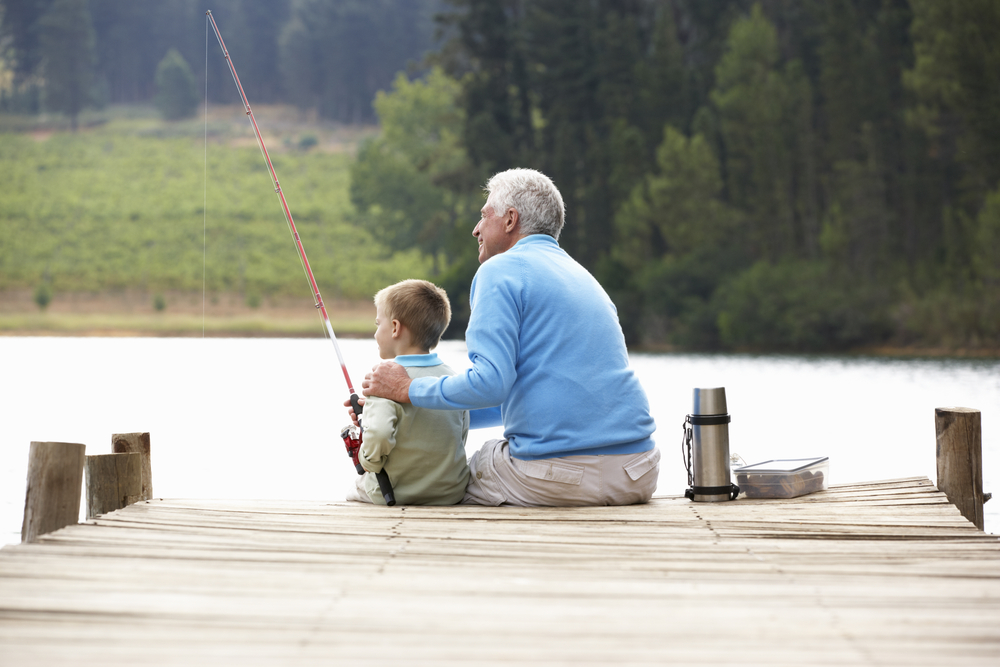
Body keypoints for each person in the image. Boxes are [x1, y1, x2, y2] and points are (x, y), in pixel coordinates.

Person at [360, 168, 659, 507]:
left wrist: (406, 389)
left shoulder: (498, 271)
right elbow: (524, 398)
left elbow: (490, 385)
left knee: (443, 479)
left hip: (562, 477)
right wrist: (412, 407)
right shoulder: (584, 277)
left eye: (484, 215)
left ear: (510, 220)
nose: (476, 229)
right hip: (639, 470)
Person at [346, 279, 470, 505]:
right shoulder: (453, 379)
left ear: (394, 328)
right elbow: (460, 434)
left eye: (377, 324)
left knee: (355, 490)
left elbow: (380, 434)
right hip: (450, 493)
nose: (375, 333)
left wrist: (366, 461)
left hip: (394, 494)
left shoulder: (383, 380)